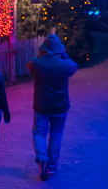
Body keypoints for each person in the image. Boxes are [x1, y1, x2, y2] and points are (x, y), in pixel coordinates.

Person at [27, 32, 78, 180]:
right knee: (56, 136)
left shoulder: (36, 64)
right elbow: (74, 66)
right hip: (60, 106)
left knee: (39, 133)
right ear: (60, 48)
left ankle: (42, 156)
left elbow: (31, 62)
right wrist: (64, 55)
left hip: (41, 106)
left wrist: (42, 53)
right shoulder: (65, 65)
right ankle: (52, 167)